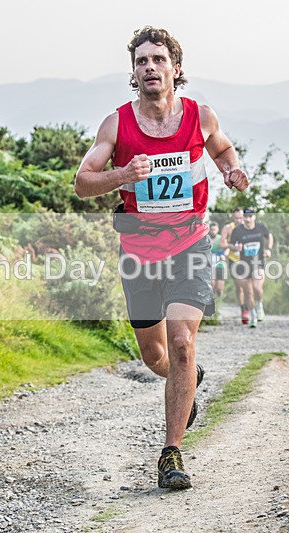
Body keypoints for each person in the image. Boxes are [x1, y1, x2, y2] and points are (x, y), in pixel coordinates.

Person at [74, 26, 249, 490]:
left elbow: (223, 147)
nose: (149, 67)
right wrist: (122, 174)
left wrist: (231, 167)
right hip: (138, 254)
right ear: (133, 73)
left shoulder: (200, 116)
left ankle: (171, 453)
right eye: (141, 61)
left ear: (175, 67)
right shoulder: (117, 125)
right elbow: (82, 181)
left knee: (182, 343)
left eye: (158, 59)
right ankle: (186, 380)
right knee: (156, 356)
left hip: (191, 245)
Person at [229, 208, 272, 328]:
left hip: (258, 262)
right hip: (244, 265)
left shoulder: (260, 227)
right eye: (246, 217)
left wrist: (268, 249)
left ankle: (259, 305)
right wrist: (235, 247)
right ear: (243, 218)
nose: (248, 219)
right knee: (248, 293)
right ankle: (253, 315)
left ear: (254, 217)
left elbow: (269, 236)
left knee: (257, 288)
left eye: (250, 217)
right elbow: (231, 244)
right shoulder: (238, 231)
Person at [219, 207, 248, 324]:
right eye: (236, 218)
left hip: (248, 259)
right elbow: (221, 244)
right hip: (234, 259)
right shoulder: (228, 228)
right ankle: (244, 310)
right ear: (233, 217)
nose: (239, 221)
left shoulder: (249, 226)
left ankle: (251, 307)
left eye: (241, 218)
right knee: (239, 286)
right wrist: (232, 247)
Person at [209, 221, 227, 302]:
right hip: (210, 265)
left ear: (218, 230)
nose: (213, 231)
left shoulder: (221, 239)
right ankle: (214, 305)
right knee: (212, 285)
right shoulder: (206, 239)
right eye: (211, 229)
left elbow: (227, 248)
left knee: (219, 288)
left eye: (214, 229)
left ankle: (219, 301)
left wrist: (224, 255)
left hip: (220, 264)